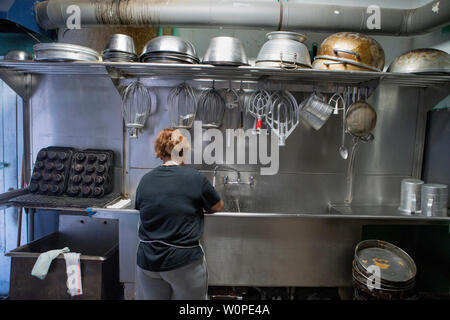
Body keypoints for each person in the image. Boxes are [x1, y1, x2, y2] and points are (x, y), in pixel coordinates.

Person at [134, 128, 224, 300]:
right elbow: (218, 206)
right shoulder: (195, 178)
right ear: (183, 151)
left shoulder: (146, 180)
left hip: (148, 263)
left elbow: (143, 207)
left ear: (160, 151)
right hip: (183, 263)